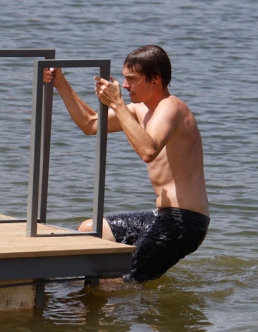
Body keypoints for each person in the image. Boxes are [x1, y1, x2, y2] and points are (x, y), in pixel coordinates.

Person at [43, 45, 210, 283]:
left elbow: (148, 150)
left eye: (132, 79)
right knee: (90, 229)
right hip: (162, 216)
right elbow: (90, 124)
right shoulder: (140, 110)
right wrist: (60, 83)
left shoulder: (172, 107)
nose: (125, 85)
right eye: (124, 78)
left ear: (156, 79)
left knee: (115, 283)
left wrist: (118, 104)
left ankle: (104, 304)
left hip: (184, 222)